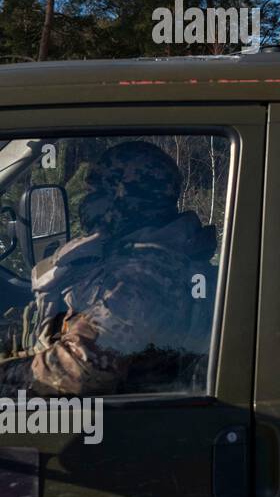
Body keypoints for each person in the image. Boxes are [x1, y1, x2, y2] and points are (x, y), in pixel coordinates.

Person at [0, 141, 217, 396]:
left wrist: (8, 374)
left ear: (123, 198)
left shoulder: (146, 277)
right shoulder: (131, 260)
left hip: (117, 427)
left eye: (95, 194)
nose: (88, 202)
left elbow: (78, 370)